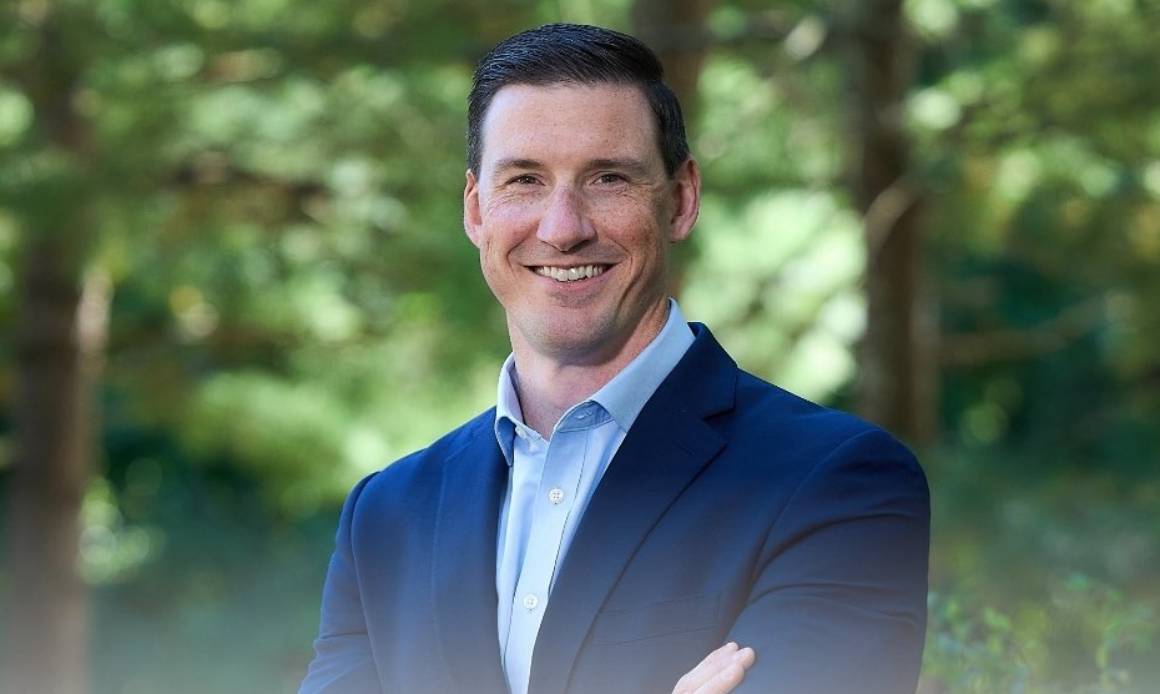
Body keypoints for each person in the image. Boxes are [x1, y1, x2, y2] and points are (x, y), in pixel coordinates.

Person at [300, 23, 930, 694]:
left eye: (608, 178)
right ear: (477, 211)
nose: (563, 228)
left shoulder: (834, 484)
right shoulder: (386, 518)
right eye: (524, 180)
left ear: (681, 200)